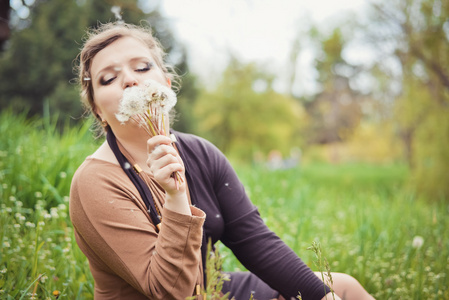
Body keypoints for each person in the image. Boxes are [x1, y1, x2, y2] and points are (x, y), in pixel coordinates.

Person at [69, 22, 375, 300]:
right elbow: (170, 291)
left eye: (142, 67)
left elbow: (253, 239)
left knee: (341, 289)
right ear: (96, 108)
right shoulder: (95, 182)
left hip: (208, 290)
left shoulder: (201, 153)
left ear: (166, 82)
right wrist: (176, 197)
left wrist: (321, 297)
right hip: (176, 294)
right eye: (108, 78)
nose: (129, 80)